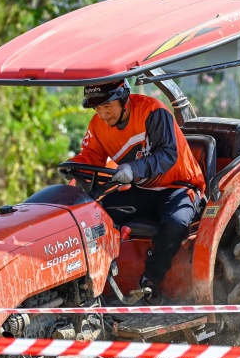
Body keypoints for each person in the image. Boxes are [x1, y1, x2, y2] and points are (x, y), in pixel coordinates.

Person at [70, 79, 206, 303]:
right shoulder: (98, 125)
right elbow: (90, 157)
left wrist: (133, 169)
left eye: (107, 106)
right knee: (94, 216)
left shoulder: (153, 112)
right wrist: (73, 165)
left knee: (176, 224)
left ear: (124, 98)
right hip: (143, 188)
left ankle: (150, 281)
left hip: (179, 187)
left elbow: (167, 155)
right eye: (98, 108)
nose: (103, 114)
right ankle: (96, 281)